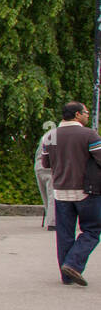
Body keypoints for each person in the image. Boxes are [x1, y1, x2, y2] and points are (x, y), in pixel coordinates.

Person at [41, 101, 101, 286]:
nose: (87, 114)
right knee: (92, 229)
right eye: (85, 112)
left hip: (60, 191)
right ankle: (73, 264)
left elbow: (46, 163)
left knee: (65, 233)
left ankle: (66, 276)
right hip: (86, 190)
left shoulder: (50, 135)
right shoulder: (89, 134)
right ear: (76, 115)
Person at [35, 124, 56, 231]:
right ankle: (52, 222)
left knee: (46, 196)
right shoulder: (56, 135)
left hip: (39, 166)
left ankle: (50, 218)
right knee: (52, 195)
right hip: (49, 167)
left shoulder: (46, 135)